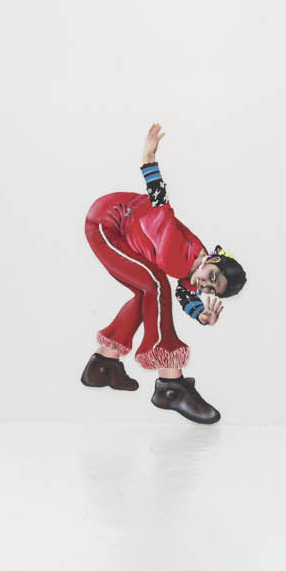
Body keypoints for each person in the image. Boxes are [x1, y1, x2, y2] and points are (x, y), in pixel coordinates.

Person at [81, 124, 246, 423]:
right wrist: (149, 158)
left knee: (148, 292)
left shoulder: (195, 268)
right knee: (155, 287)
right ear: (212, 259)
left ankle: (103, 363)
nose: (204, 285)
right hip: (107, 222)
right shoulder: (181, 247)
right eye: (211, 277)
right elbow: (160, 199)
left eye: (211, 290)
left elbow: (185, 293)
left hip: (129, 234)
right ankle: (170, 383)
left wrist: (201, 314)